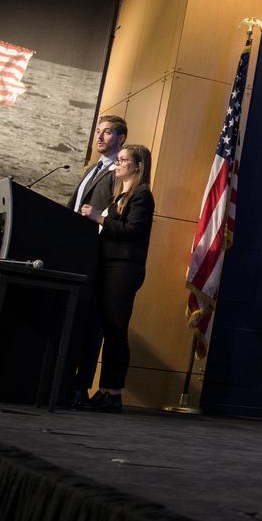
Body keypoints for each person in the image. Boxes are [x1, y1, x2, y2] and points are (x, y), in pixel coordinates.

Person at [76, 143, 154, 413]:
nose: (117, 164)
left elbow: (133, 230)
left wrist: (99, 218)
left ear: (137, 166)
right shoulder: (118, 194)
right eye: (117, 160)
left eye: (122, 160)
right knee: (109, 330)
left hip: (123, 268)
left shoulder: (142, 195)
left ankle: (113, 393)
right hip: (107, 266)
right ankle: (105, 390)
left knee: (116, 330)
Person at [69, 115, 127, 214]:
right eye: (98, 132)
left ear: (121, 138)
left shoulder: (120, 171)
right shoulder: (91, 168)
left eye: (107, 132)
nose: (99, 137)